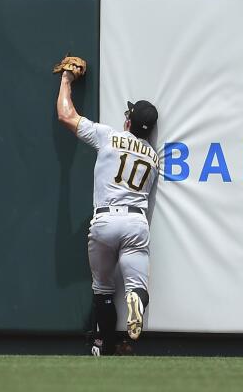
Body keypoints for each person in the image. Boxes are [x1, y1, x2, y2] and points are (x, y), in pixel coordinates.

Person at [56, 69, 159, 356]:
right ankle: (135, 300)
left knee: (102, 289)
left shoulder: (108, 136)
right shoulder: (153, 157)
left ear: (128, 121)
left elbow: (66, 115)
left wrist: (66, 80)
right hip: (136, 221)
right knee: (136, 287)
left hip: (105, 218)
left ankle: (105, 345)